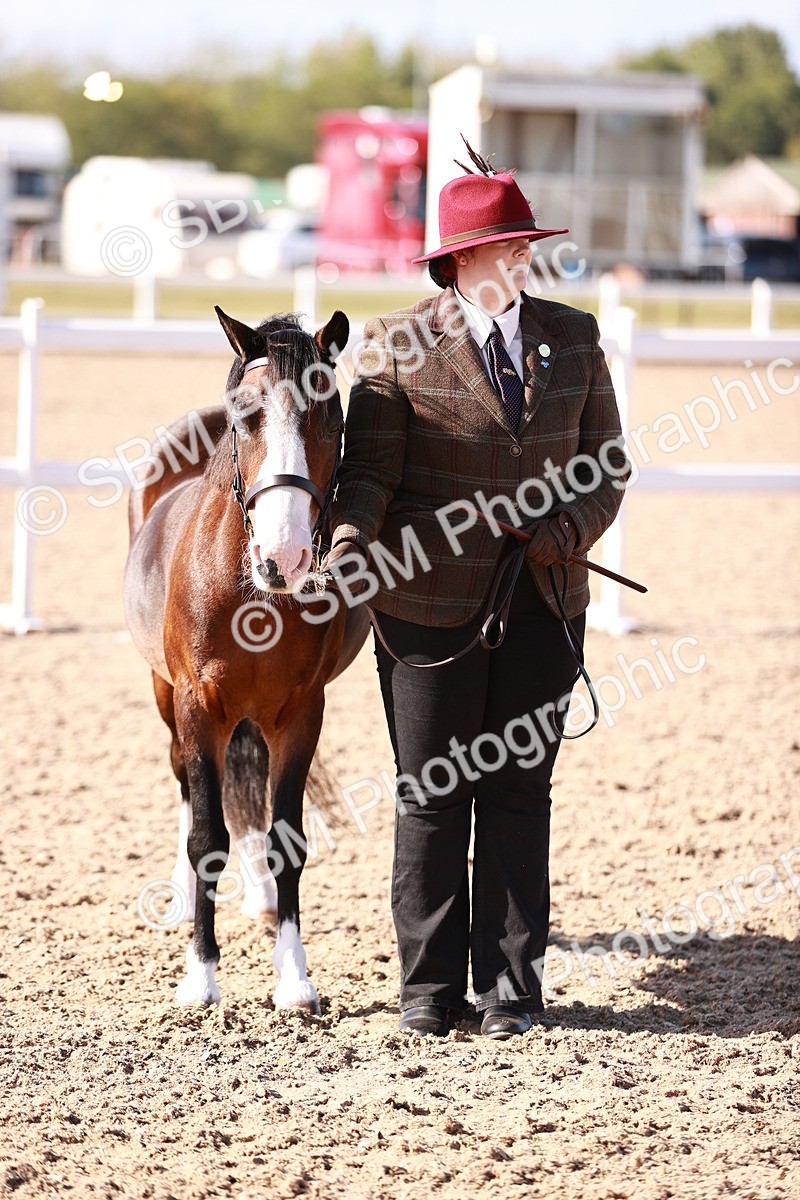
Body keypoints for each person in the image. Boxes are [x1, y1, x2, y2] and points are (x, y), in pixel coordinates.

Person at [323, 145, 629, 1039]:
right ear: (459, 259)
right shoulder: (394, 344)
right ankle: (428, 992)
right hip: (424, 608)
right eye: (507, 245)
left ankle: (511, 991)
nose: (522, 255)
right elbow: (369, 474)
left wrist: (562, 531)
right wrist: (349, 540)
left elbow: (607, 463)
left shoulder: (573, 335)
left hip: (544, 601)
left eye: (527, 242)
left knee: (518, 790)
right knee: (431, 793)